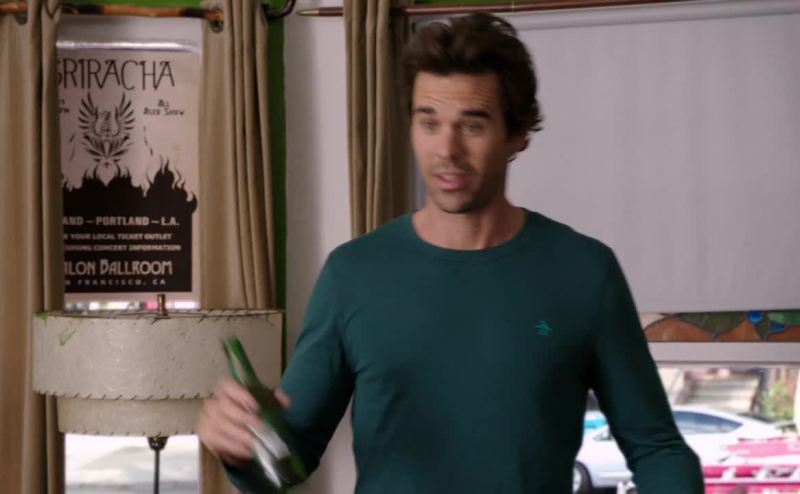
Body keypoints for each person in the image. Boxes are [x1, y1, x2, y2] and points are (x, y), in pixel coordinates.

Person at [197, 13, 704, 493]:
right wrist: (240, 446)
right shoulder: (353, 274)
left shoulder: (584, 272)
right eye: (429, 122)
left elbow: (657, 448)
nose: (446, 150)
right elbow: (292, 455)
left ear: (517, 135)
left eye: (473, 124)